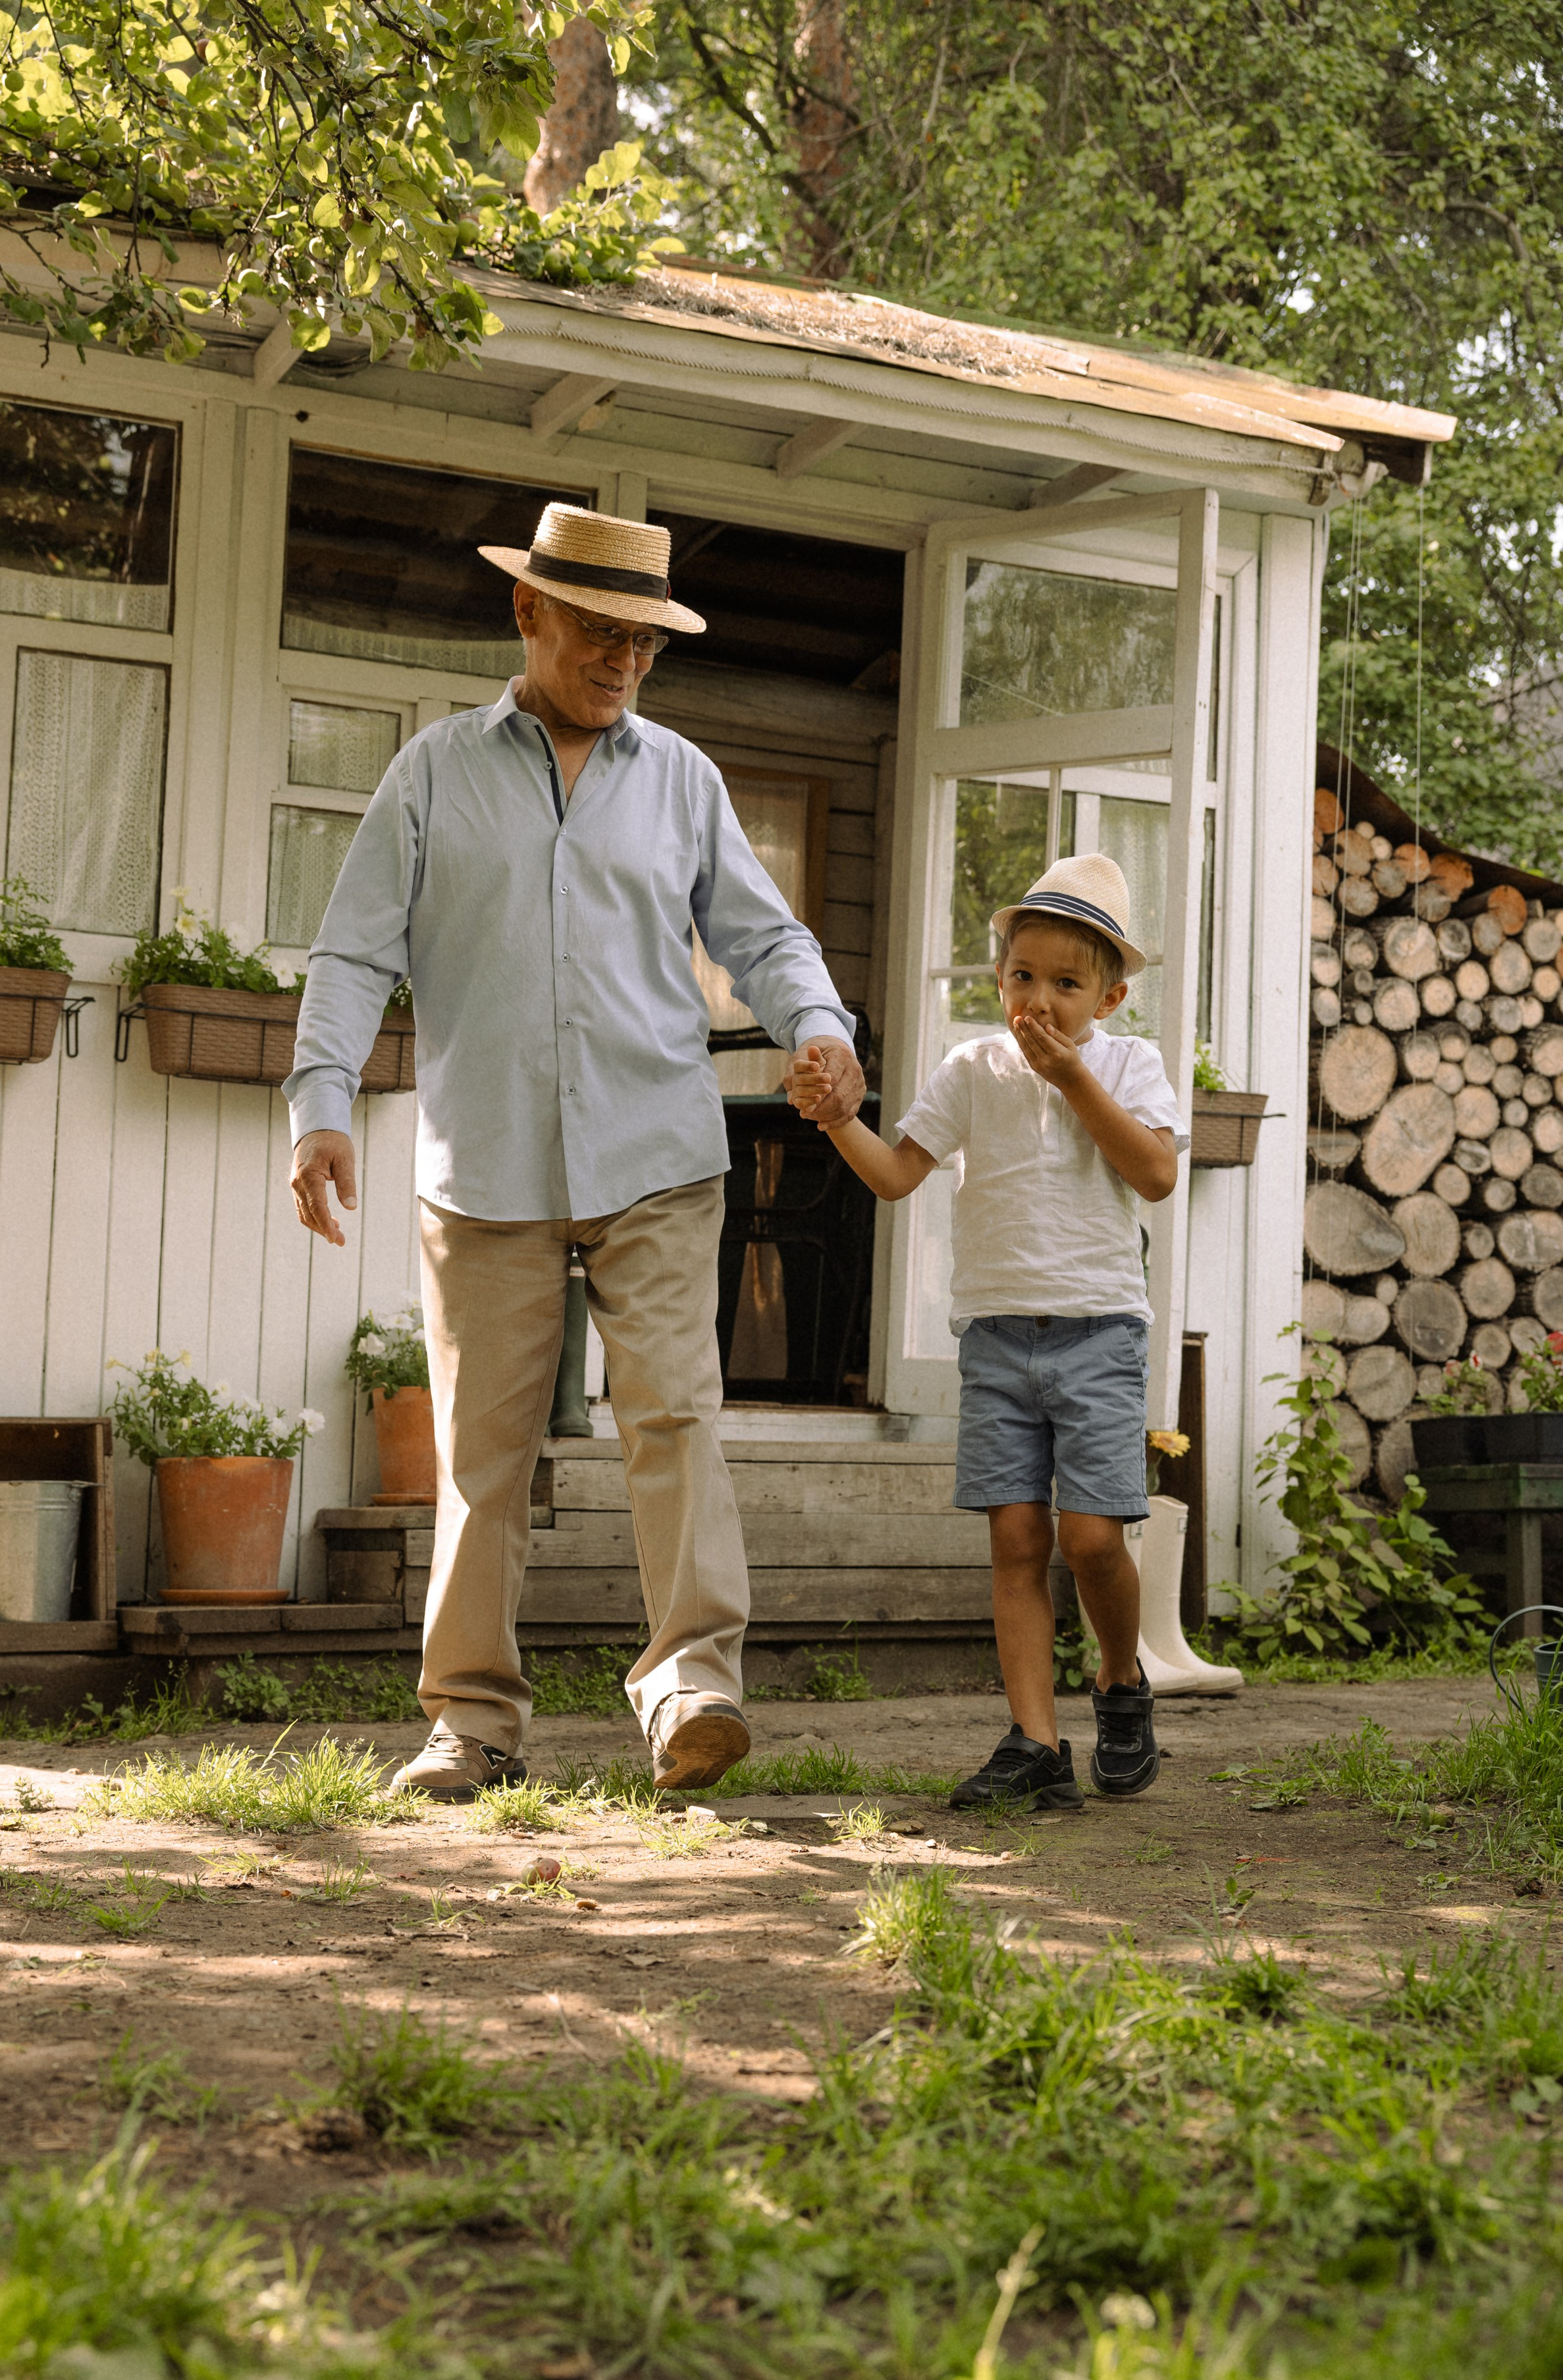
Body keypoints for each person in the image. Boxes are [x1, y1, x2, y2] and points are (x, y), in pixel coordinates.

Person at [284, 503, 866, 1799]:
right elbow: (351, 952)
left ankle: (690, 1690)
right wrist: (319, 1102)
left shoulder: (682, 783)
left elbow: (764, 942)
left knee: (672, 1415)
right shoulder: (433, 773)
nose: (620, 660)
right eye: (599, 632)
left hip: (654, 1151)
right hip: (480, 1166)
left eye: (643, 643)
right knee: (480, 1459)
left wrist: (816, 1026)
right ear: (528, 613)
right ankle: (472, 1725)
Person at [788, 856, 1186, 1812]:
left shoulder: (1130, 1064)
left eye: (1067, 983)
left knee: (1092, 1537)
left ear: (1111, 994)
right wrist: (841, 1119)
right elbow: (894, 1174)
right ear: (999, 976)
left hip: (1098, 1333)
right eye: (1022, 977)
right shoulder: (972, 1068)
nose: (1039, 999)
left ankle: (1121, 1685)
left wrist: (1074, 1076)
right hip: (998, 1338)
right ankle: (1036, 1743)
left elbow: (1157, 1175)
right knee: (1016, 1536)